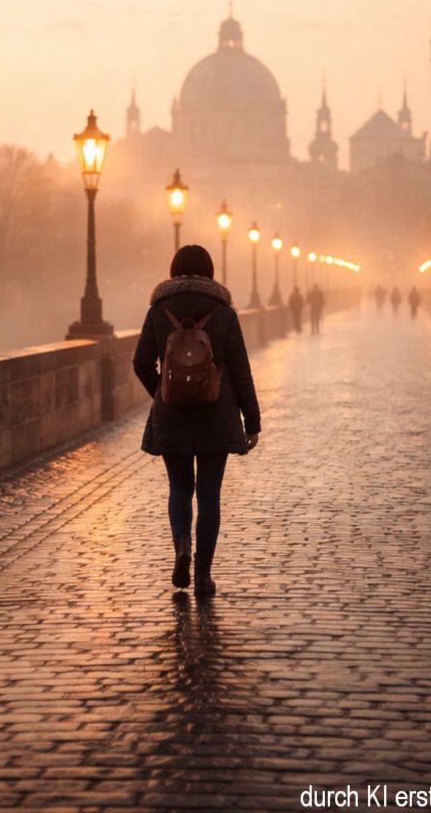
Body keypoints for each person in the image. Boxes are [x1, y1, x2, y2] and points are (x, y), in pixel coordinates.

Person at [133, 245, 261, 597]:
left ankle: (181, 549)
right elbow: (240, 370)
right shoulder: (223, 312)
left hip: (171, 414)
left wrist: (162, 393)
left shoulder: (158, 310)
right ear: (210, 272)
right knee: (209, 495)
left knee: (179, 489)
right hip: (216, 415)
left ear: (173, 270)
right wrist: (252, 420)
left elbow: (140, 362)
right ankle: (203, 575)